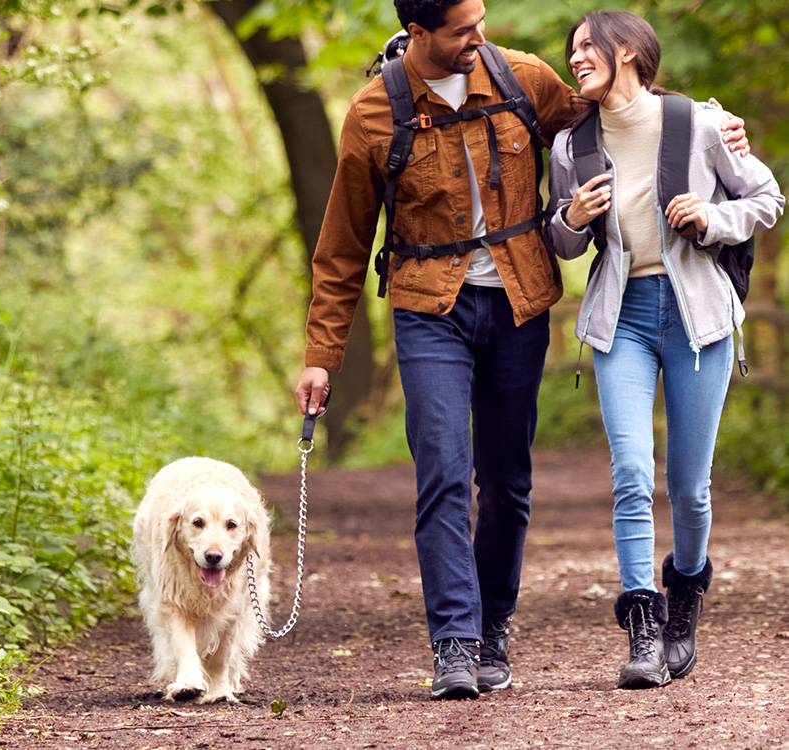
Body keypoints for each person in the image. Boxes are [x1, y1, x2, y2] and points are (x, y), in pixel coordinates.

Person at [294, 0, 748, 701]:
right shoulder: (373, 114)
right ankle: (455, 641)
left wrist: (708, 122)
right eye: (464, 30)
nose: (481, 36)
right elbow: (343, 243)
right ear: (419, 34)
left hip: (516, 300)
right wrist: (323, 353)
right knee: (442, 468)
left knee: (505, 478)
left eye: (481, 20)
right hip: (426, 306)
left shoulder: (520, 78)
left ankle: (494, 624)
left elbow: (621, 111)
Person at [546, 11, 784, 690]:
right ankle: (642, 627)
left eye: (587, 46)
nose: (576, 57)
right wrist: (571, 219)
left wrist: (712, 218)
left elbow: (767, 198)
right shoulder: (572, 145)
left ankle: (684, 596)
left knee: (689, 487)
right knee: (630, 471)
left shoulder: (699, 124)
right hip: (621, 319)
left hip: (697, 319)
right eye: (572, 49)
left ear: (627, 51)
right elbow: (560, 242)